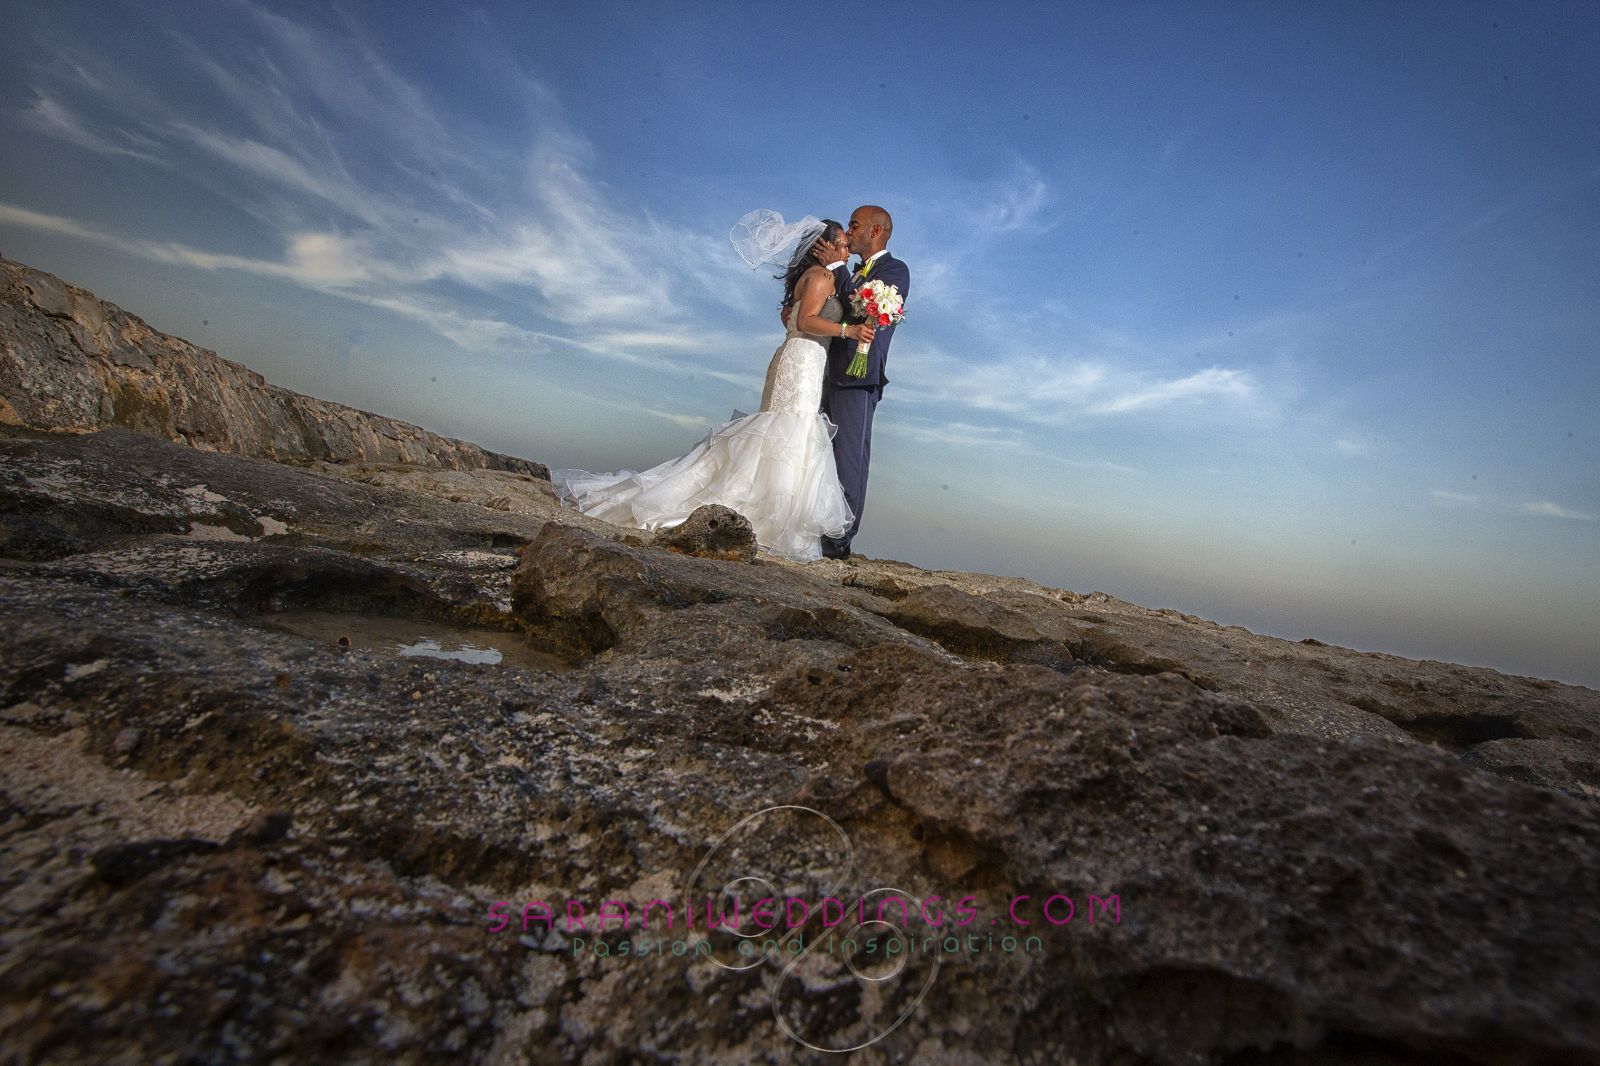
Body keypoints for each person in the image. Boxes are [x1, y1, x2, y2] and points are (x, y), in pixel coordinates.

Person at [550, 219, 876, 563]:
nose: (845, 250)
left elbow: (793, 316)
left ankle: (769, 515)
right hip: (803, 359)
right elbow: (807, 320)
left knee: (784, 433)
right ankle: (765, 518)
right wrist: (849, 330)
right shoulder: (823, 277)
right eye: (840, 244)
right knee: (786, 432)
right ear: (822, 247)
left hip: (802, 358)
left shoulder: (813, 277)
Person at [819, 205, 909, 560]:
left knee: (849, 458)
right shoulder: (850, 271)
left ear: (875, 231)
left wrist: (839, 269)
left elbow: (861, 309)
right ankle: (816, 522)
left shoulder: (895, 270)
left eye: (854, 225)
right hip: (828, 368)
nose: (848, 231)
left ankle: (840, 538)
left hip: (859, 376)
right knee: (819, 451)